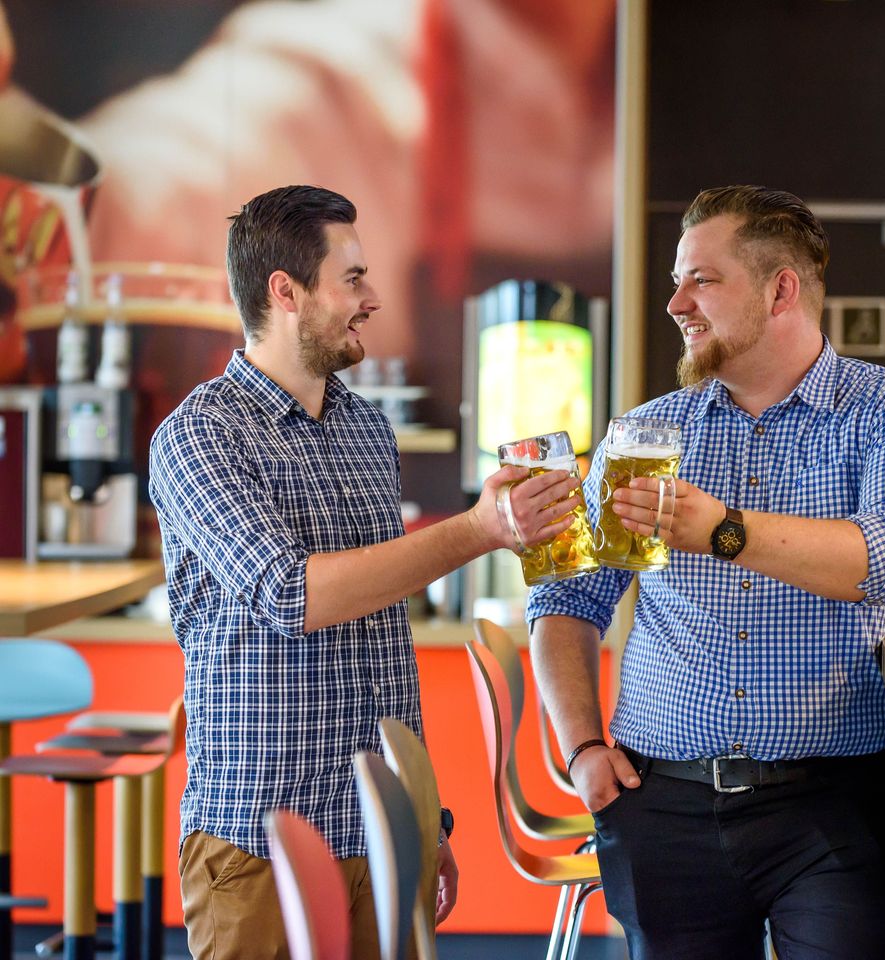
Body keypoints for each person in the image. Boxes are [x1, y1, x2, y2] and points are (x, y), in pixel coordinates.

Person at [148, 184, 582, 959]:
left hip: (383, 831)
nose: (373, 297)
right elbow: (291, 594)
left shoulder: (365, 430)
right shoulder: (197, 437)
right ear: (285, 292)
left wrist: (428, 812)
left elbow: (383, 649)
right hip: (258, 842)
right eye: (351, 279)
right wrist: (482, 529)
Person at [526, 185, 885, 959]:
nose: (676, 303)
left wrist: (721, 529)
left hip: (836, 811)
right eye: (675, 281)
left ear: (780, 288)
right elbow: (569, 596)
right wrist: (582, 748)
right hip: (659, 804)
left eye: (702, 280)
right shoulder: (646, 433)